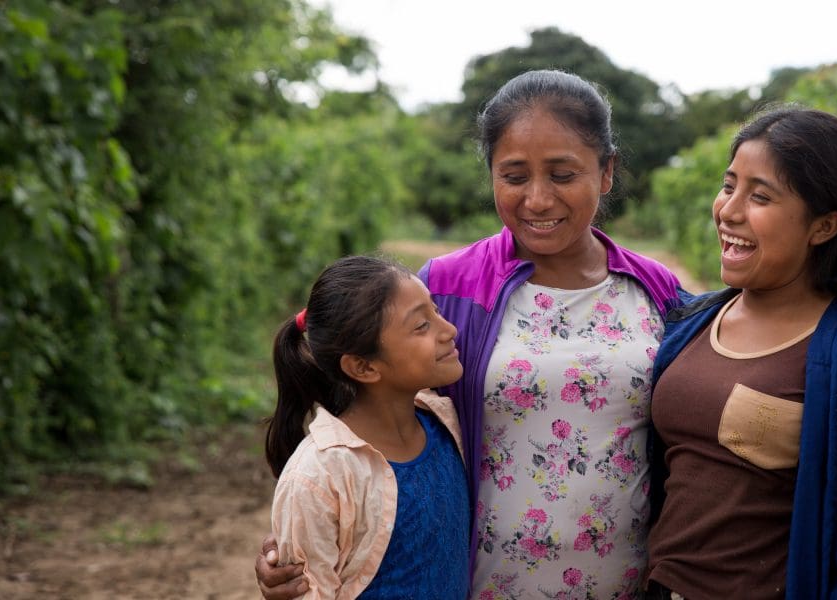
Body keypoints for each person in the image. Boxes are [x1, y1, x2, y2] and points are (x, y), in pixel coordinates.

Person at [256, 69, 686, 599]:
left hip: (627, 582)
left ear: (606, 172)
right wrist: (305, 539)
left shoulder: (654, 290)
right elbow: (367, 417)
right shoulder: (446, 287)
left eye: (562, 174)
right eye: (513, 175)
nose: (537, 199)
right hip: (482, 585)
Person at [644, 107, 837, 599]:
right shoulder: (693, 322)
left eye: (760, 196)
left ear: (823, 226)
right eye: (728, 185)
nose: (729, 210)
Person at [264, 255, 470, 600]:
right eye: (421, 326)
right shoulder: (320, 476)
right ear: (363, 367)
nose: (449, 330)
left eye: (435, 311)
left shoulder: (445, 422)